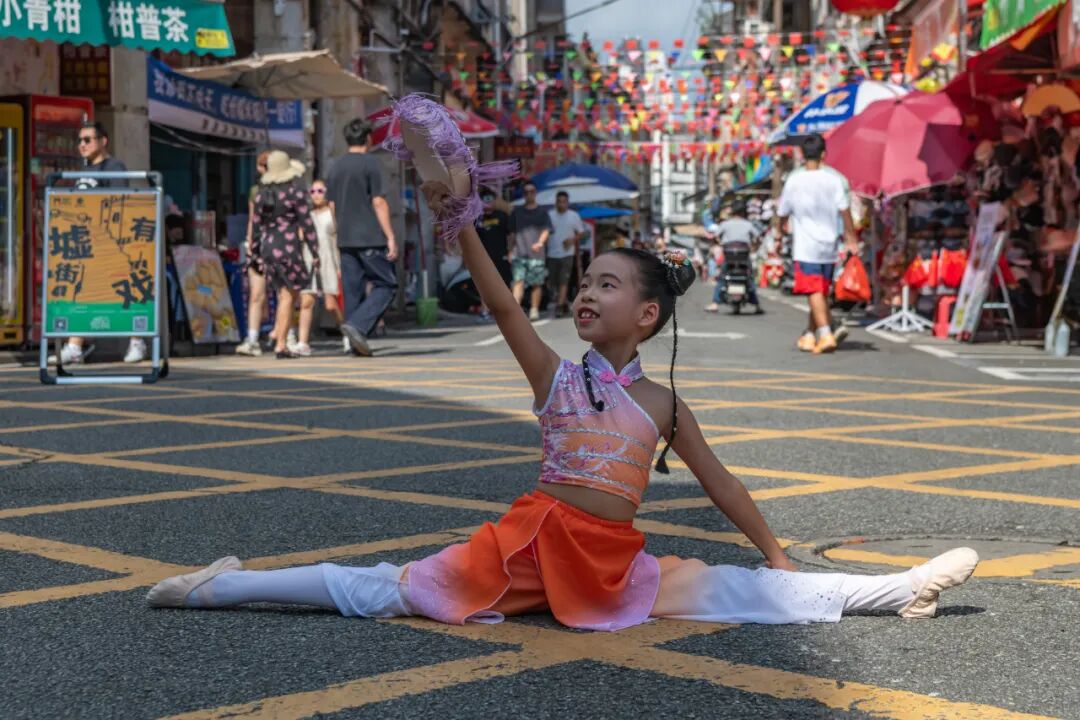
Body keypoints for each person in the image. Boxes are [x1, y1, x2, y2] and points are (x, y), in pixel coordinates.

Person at [147, 179, 980, 633]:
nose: (586, 293)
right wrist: (461, 222)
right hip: (527, 545)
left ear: (646, 315)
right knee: (387, 588)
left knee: (739, 588)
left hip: (612, 563)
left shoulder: (661, 402)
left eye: (605, 286)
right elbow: (503, 304)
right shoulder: (556, 376)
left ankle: (901, 590)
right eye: (584, 283)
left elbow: (721, 483)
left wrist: (776, 551)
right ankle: (217, 588)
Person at [51, 122, 146, 366]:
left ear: (103, 141)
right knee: (83, 292)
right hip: (85, 243)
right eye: (79, 140)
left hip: (110, 244)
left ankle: (137, 340)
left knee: (127, 290)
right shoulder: (84, 170)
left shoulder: (114, 167)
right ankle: (74, 346)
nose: (82, 145)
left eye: (87, 140)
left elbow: (116, 202)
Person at [777, 134, 859, 354]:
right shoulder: (835, 179)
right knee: (820, 291)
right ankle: (809, 334)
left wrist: (779, 233)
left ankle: (825, 333)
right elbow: (845, 211)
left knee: (813, 291)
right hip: (829, 245)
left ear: (802, 154)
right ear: (824, 154)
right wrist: (851, 237)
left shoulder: (794, 179)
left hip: (806, 246)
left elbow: (782, 212)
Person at [326, 119, 398, 358]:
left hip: (346, 238)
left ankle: (352, 343)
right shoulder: (370, 163)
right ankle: (357, 326)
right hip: (369, 236)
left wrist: (341, 230)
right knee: (387, 284)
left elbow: (332, 205)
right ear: (368, 138)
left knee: (352, 290)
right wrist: (390, 236)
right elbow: (378, 202)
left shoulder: (336, 167)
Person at [251, 151, 319, 359]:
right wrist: (315, 250)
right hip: (288, 246)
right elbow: (307, 223)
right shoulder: (295, 192)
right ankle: (281, 343)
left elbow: (256, 226)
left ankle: (279, 335)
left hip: (268, 246)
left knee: (283, 294)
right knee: (289, 295)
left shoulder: (261, 195)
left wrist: (254, 253)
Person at [289, 179, 344, 357]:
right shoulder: (307, 214)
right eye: (312, 191)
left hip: (329, 258)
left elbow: (337, 233)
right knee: (307, 301)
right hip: (309, 258)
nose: (316, 195)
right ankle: (303, 342)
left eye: (320, 191)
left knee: (330, 304)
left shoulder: (332, 211)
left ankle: (347, 333)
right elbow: (300, 237)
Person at [237, 151, 271, 357]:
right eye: (262, 165)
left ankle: (288, 334)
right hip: (260, 244)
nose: (264, 169)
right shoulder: (255, 191)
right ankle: (252, 338)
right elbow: (252, 219)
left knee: (285, 294)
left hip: (281, 244)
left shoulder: (289, 190)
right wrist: (250, 242)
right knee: (257, 293)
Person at [704, 200, 764, 314]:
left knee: (722, 277)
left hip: (729, 258)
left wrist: (720, 242)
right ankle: (757, 306)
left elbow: (715, 236)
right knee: (750, 277)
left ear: (732, 211)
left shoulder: (725, 224)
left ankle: (715, 304)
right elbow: (758, 237)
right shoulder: (748, 224)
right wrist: (754, 246)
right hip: (744, 257)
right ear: (743, 211)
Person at [508, 181, 552, 321]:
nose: (529, 194)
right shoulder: (517, 212)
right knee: (518, 281)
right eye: (526, 192)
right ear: (524, 194)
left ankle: (534, 309)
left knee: (536, 283)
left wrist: (540, 242)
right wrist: (510, 251)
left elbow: (547, 230)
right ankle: (515, 311)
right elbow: (512, 233)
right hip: (519, 253)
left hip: (537, 255)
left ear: (535, 193)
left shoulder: (542, 212)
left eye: (531, 191)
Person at [546, 191, 586, 319]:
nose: (561, 204)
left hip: (567, 253)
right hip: (552, 253)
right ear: (556, 202)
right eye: (559, 201)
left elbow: (581, 232)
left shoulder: (573, 216)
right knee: (553, 282)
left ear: (568, 203)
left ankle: (559, 306)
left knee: (564, 280)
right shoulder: (550, 215)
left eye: (564, 201)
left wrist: (572, 240)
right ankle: (563, 302)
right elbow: (544, 231)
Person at [475, 188, 512, 323]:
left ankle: (506, 310)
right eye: (484, 200)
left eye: (490, 199)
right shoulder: (477, 219)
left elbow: (510, 235)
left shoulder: (502, 216)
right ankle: (485, 310)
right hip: (483, 258)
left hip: (501, 255)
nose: (487, 203)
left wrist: (510, 252)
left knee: (504, 283)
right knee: (485, 285)